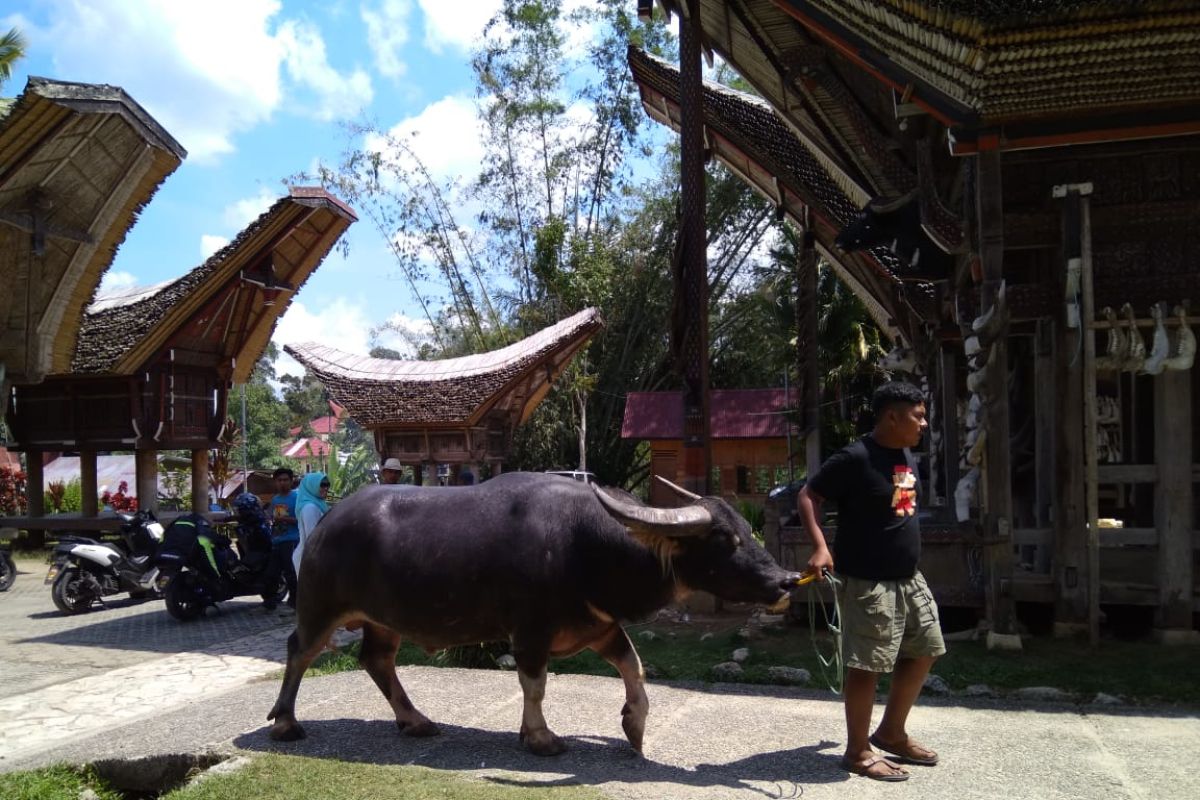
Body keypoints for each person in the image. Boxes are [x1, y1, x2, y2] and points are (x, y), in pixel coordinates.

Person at [796, 381, 944, 782]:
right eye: (918, 415)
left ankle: (891, 732)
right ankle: (858, 751)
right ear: (892, 416)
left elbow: (900, 511)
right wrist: (821, 546)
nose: (924, 424)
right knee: (866, 666)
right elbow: (809, 495)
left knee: (926, 648)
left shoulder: (902, 456)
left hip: (908, 578)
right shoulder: (855, 457)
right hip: (868, 582)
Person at [262, 468, 299, 611]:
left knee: (290, 572)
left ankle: (295, 601)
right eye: (279, 480)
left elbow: (300, 519)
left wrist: (284, 519)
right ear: (275, 482)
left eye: (285, 480)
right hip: (277, 540)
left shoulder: (296, 498)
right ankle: (269, 601)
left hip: (291, 540)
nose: (282, 483)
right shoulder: (275, 499)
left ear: (291, 481)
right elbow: (272, 517)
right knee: (271, 573)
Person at [292, 471, 330, 576]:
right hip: (310, 560)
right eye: (322, 485)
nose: (326, 488)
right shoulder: (310, 508)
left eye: (327, 485)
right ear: (311, 486)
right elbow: (313, 538)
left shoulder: (319, 505)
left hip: (313, 558)